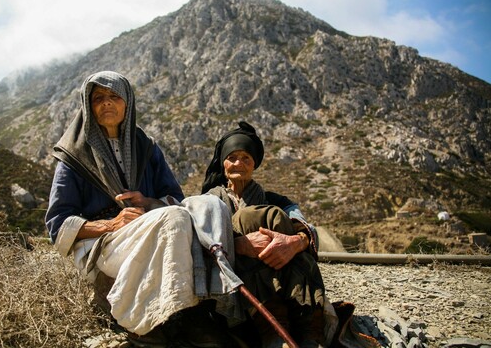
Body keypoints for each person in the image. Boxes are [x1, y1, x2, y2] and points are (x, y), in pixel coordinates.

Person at [45, 71, 235, 348]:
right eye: (99, 98)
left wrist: (148, 203)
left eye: (114, 96)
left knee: (210, 204)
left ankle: (205, 304)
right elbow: (57, 223)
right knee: (174, 217)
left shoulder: (146, 147)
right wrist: (112, 224)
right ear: (88, 105)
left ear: (127, 103)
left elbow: (174, 197)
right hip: (104, 244)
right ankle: (141, 318)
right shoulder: (74, 155)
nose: (107, 103)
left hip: (154, 231)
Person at [202, 121, 329, 348]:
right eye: (232, 158)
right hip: (235, 290)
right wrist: (237, 244)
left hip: (287, 280)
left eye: (246, 158)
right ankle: (273, 327)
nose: (239, 163)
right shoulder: (208, 202)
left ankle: (310, 328)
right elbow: (197, 239)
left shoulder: (277, 201)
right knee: (248, 218)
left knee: (284, 225)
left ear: (254, 164)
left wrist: (294, 242)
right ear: (223, 164)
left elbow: (309, 230)